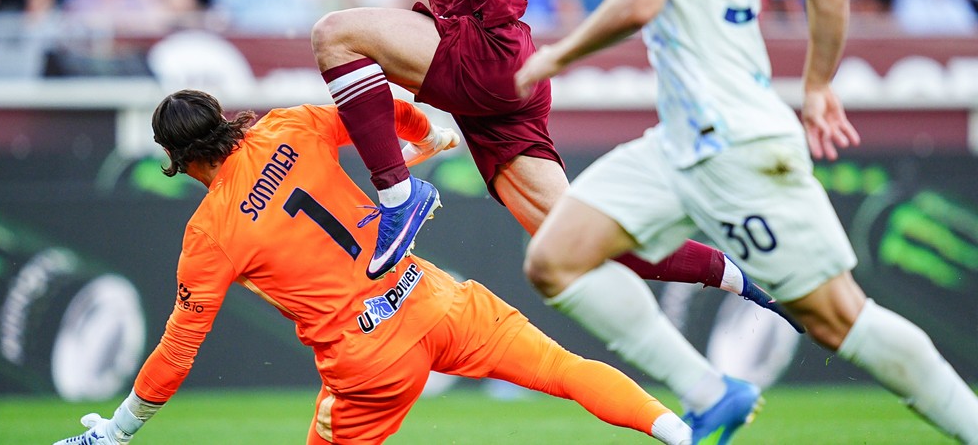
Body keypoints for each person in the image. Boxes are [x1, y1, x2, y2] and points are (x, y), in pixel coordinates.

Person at [316, 0, 787, 438]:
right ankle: (748, 293)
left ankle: (398, 197)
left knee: (336, 34)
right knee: (582, 241)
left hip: (485, 51)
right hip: (492, 88)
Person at [514, 0, 978, 443]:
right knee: (555, 260)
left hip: (734, 143)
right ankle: (712, 393)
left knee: (839, 318)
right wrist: (816, 86)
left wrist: (557, 56)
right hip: (681, 143)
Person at [52, 89, 694, 445]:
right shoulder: (290, 125)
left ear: (175, 160)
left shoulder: (209, 233)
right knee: (565, 370)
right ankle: (681, 434)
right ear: (223, 118)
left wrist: (118, 431)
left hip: (367, 361)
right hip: (431, 299)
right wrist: (427, 134)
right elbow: (374, 109)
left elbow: (178, 351)